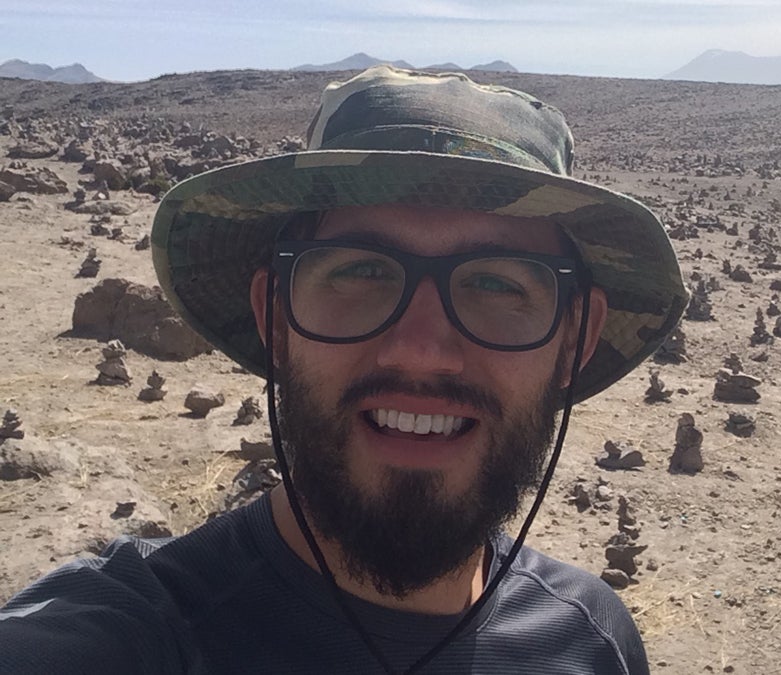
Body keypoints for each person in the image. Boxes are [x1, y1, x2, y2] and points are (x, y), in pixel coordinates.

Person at [0, 66, 686, 674]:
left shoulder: (594, 643)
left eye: (501, 285)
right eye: (360, 270)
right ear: (274, 316)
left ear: (576, 338)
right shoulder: (138, 634)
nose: (422, 349)